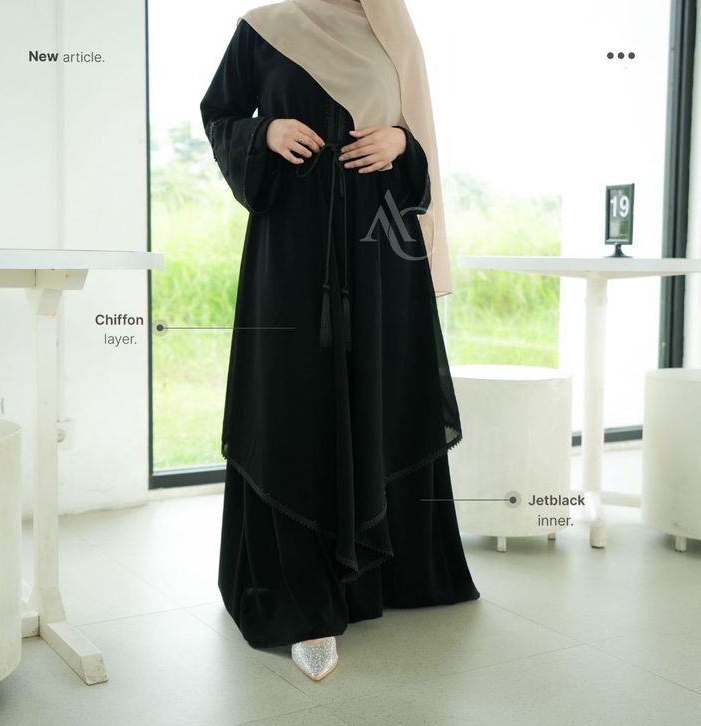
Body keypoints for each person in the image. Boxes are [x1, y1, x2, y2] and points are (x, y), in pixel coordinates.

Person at [199, 0, 480, 681]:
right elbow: (220, 114)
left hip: (381, 250)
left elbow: (418, 139)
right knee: (293, 398)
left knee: (379, 390)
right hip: (292, 249)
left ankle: (382, 574)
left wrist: (400, 146)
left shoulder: (392, 28)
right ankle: (302, 598)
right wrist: (265, 133)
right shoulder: (265, 27)